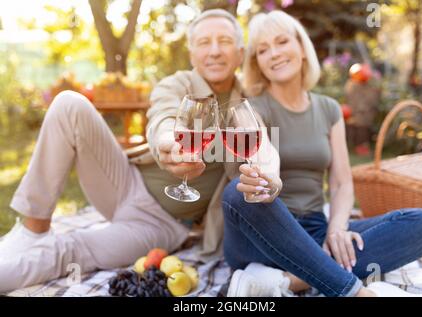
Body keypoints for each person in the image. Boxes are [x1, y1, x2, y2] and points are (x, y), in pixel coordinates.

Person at [0, 9, 280, 293]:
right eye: (205, 42)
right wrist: (169, 143)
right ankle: (32, 230)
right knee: (69, 103)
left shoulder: (248, 105)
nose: (215, 51)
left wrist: (271, 176)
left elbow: (264, 150)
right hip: (124, 181)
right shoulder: (176, 85)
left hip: (159, 224)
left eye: (224, 41)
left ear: (240, 51)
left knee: (71, 249)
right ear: (192, 53)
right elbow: (163, 117)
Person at [222, 11, 422, 297]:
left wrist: (337, 228)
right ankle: (352, 290)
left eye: (281, 42)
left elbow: (341, 182)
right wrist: (270, 178)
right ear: (257, 63)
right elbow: (262, 150)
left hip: (314, 231)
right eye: (262, 50)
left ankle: (285, 282)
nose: (273, 54)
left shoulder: (328, 109)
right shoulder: (249, 109)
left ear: (301, 48)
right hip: (261, 234)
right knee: (238, 192)